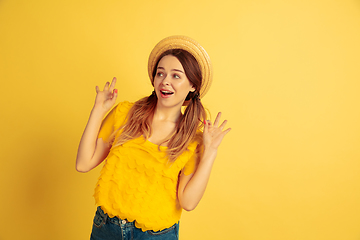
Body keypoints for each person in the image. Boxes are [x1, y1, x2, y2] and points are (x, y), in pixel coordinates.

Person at [76, 36, 231, 240]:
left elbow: (188, 202)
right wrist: (98, 110)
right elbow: (83, 163)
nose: (165, 81)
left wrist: (210, 152)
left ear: (193, 85)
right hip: (107, 228)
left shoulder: (194, 141)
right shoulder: (123, 114)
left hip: (156, 236)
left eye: (176, 76)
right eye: (160, 73)